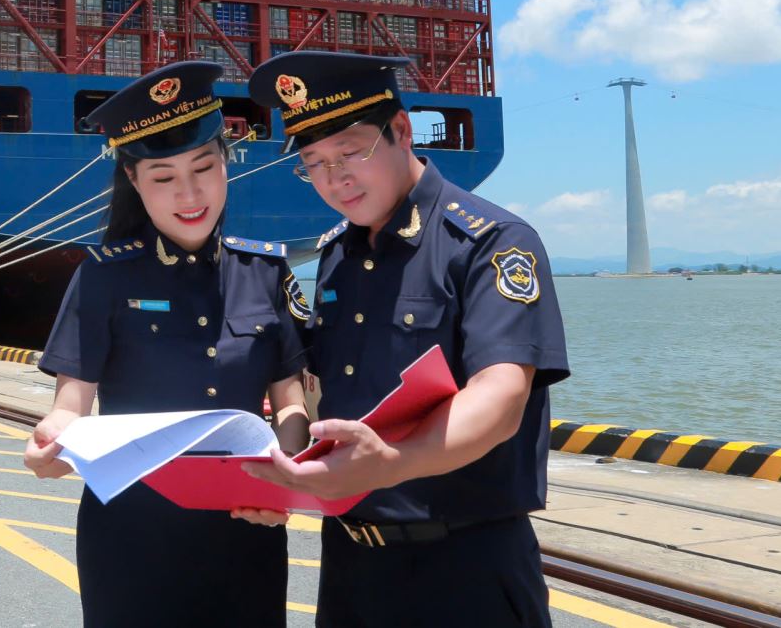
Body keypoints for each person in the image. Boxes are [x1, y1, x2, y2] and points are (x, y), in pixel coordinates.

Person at [238, 51, 570, 628]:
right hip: (350, 567)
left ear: (401, 130)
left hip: (464, 571)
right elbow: (314, 389)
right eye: (314, 164)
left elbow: (501, 397)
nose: (335, 178)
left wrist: (391, 464)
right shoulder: (337, 255)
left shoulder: (489, 241)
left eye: (351, 152)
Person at [23, 60, 312, 628]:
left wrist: (286, 476)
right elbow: (70, 405)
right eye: (163, 177)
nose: (189, 193)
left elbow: (291, 402)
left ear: (227, 161)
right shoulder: (103, 276)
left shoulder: (265, 272)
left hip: (246, 530)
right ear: (133, 181)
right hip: (131, 536)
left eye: (204, 167)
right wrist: (52, 445)